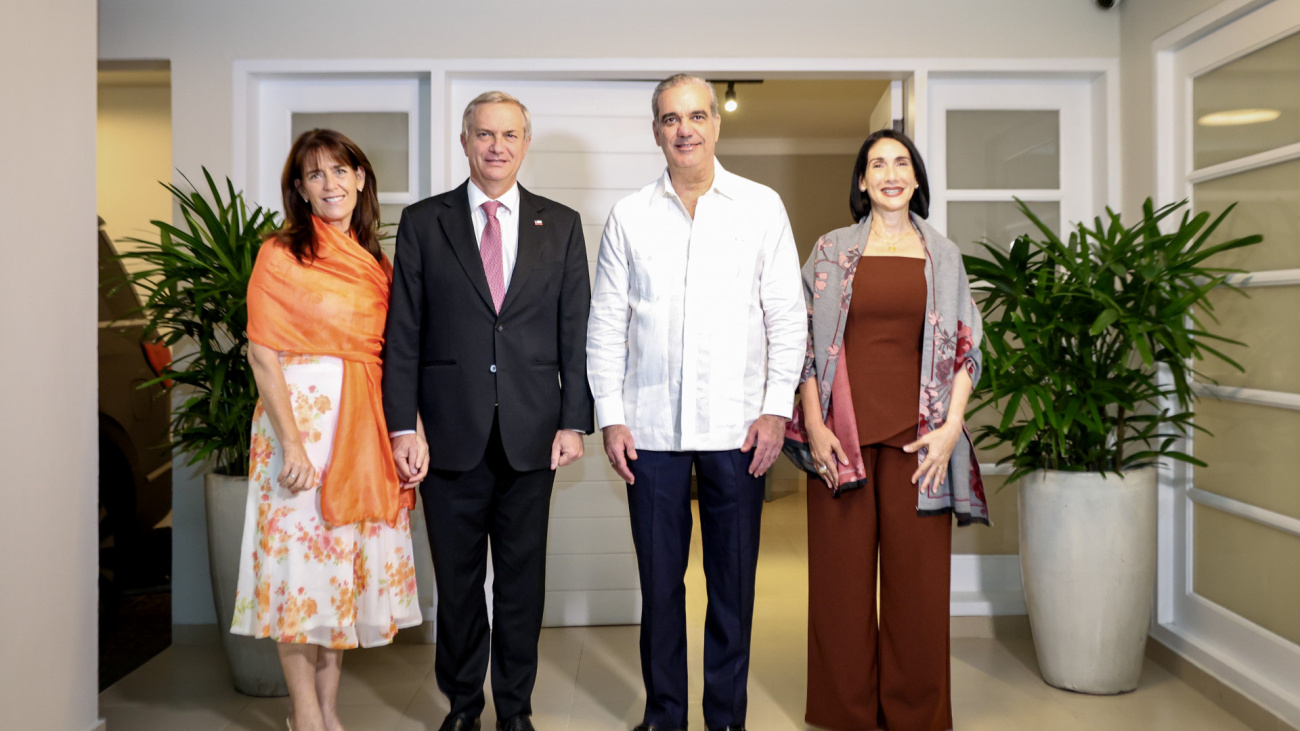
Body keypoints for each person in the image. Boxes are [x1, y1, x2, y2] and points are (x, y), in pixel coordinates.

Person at [587, 74, 806, 731]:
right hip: (649, 434)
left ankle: (726, 719)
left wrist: (776, 409)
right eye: (670, 118)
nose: (684, 129)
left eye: (696, 116)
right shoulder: (630, 216)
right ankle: (664, 717)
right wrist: (611, 415)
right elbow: (606, 324)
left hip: (739, 432)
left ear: (716, 123)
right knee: (660, 589)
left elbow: (786, 317)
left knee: (732, 587)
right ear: (656, 130)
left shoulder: (761, 207)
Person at [382, 91, 593, 731]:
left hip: (533, 435)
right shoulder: (425, 222)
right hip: (448, 437)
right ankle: (463, 706)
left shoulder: (562, 224)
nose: (496, 146)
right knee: (459, 584)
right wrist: (402, 425)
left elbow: (575, 331)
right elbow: (403, 333)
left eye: (509, 135)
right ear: (465, 141)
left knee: (522, 586)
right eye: (484, 134)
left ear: (525, 144)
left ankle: (516, 709)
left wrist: (573, 419)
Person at [785, 128, 987, 731]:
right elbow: (799, 343)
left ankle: (915, 714)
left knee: (918, 594)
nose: (891, 174)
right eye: (877, 164)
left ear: (916, 178)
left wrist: (952, 428)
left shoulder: (943, 256)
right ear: (862, 181)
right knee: (840, 591)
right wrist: (814, 424)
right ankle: (845, 713)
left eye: (901, 163)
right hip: (840, 445)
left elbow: (969, 348)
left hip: (921, 446)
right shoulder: (830, 251)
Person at [231, 128, 423, 731]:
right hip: (299, 433)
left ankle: (329, 713)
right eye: (315, 174)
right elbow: (262, 352)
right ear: (300, 189)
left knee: (338, 572)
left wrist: (410, 429)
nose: (330, 183)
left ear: (361, 179)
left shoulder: (377, 263)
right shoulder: (280, 254)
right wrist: (291, 443)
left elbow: (396, 356)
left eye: (340, 170)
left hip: (361, 431)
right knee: (298, 573)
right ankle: (306, 716)